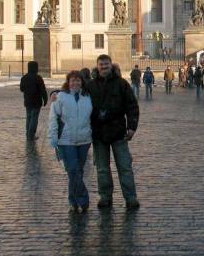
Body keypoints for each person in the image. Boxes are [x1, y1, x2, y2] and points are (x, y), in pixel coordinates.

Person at [87, 54, 140, 209]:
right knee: (102, 169)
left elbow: (132, 106)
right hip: (98, 133)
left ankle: (130, 198)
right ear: (97, 66)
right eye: (101, 64)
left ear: (111, 65)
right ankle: (105, 197)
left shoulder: (122, 84)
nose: (104, 67)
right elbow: (75, 96)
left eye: (106, 64)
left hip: (118, 132)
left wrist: (132, 126)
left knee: (125, 167)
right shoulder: (90, 85)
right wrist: (56, 94)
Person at [48, 70, 92, 213]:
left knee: (76, 172)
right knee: (72, 169)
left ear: (82, 82)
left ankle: (72, 200)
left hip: (84, 140)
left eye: (78, 80)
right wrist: (53, 137)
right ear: (68, 82)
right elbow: (53, 117)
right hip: (65, 140)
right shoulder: (60, 97)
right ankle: (84, 198)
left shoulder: (88, 97)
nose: (75, 83)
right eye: (72, 80)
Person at [20, 61, 48, 141]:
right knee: (34, 118)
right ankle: (31, 135)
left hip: (27, 101)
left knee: (28, 117)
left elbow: (21, 89)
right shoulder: (38, 78)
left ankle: (27, 133)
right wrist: (45, 99)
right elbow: (43, 90)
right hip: (36, 101)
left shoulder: (24, 77)